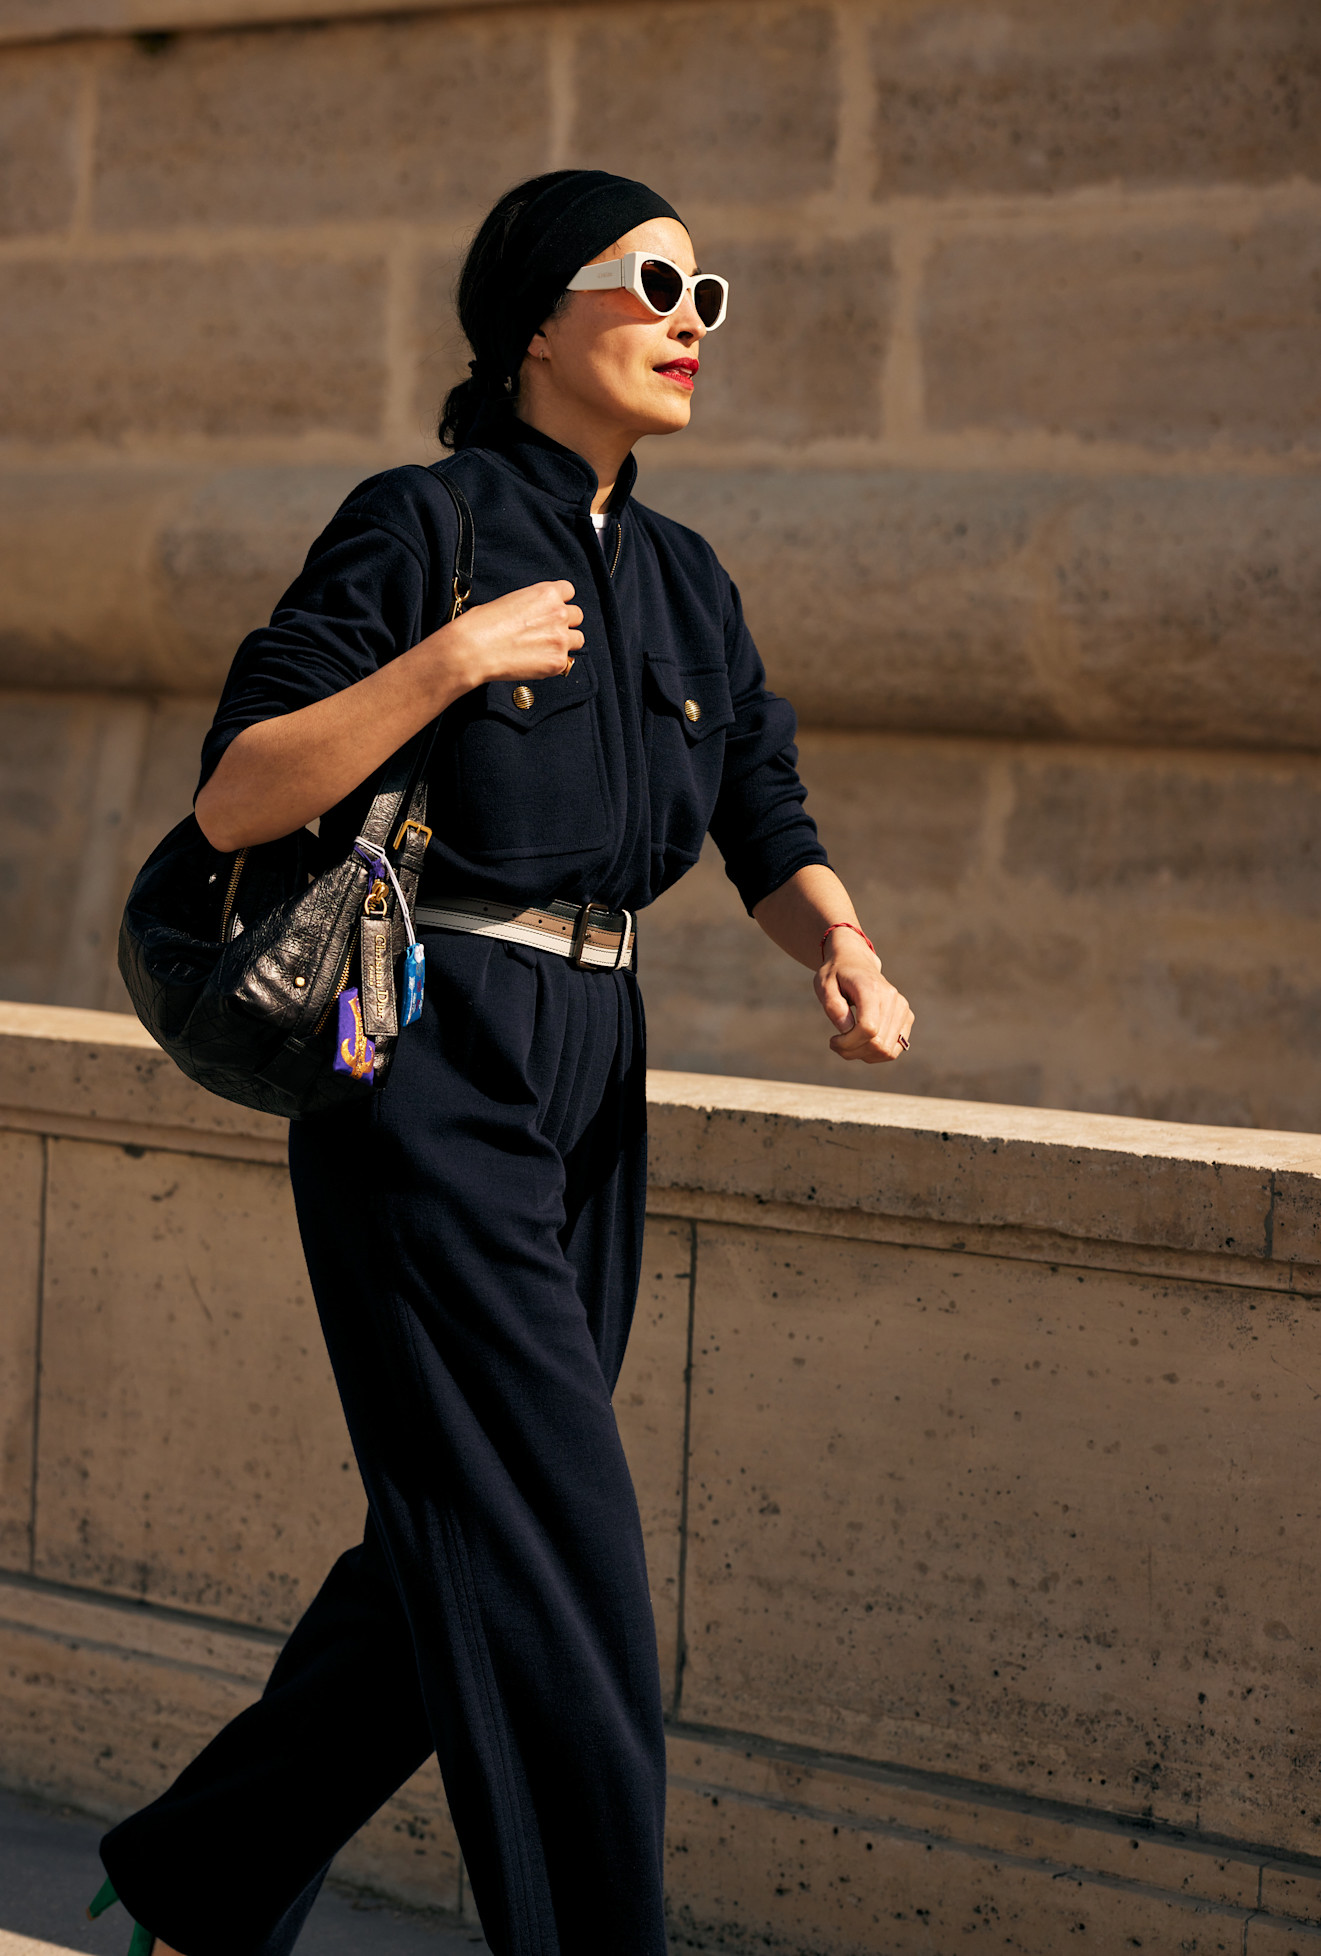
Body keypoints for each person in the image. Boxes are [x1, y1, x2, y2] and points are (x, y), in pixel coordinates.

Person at [91, 169, 914, 1956]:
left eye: (713, 293)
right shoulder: (425, 522)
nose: (691, 320)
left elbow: (764, 812)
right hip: (428, 1046)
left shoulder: (689, 580)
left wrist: (838, 945)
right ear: (537, 319)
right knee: (565, 1553)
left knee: (462, 1532)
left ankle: (197, 1883)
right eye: (652, 283)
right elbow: (242, 788)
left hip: (595, 1065)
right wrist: (451, 658)